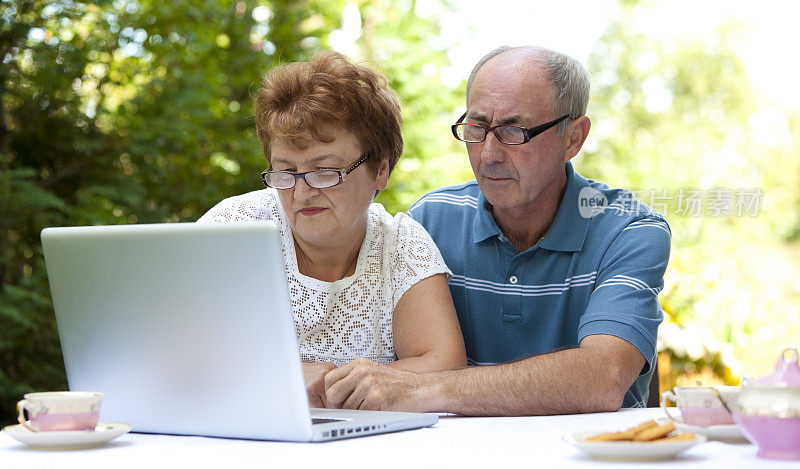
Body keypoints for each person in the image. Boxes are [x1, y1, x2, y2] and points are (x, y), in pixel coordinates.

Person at [323, 45, 670, 415]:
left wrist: (425, 389)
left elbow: (604, 376)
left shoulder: (630, 230)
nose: (488, 154)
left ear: (573, 138)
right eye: (476, 128)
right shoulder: (430, 221)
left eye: (513, 131)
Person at [198, 50, 466, 408]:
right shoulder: (233, 228)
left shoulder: (402, 246)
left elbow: (445, 367)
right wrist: (290, 375)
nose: (302, 191)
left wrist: (333, 382)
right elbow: (166, 347)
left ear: (381, 170)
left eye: (325, 170)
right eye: (286, 172)